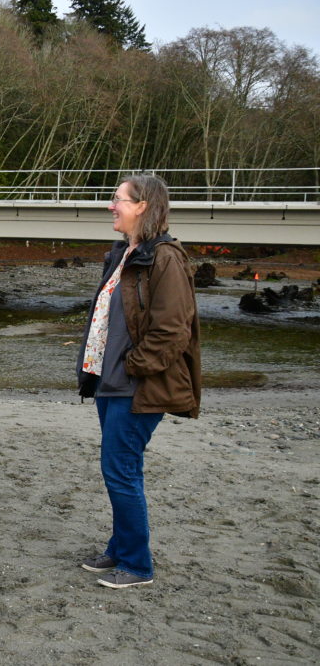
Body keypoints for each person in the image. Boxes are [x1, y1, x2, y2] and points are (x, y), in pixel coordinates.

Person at [76, 174, 201, 589]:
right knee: (119, 469)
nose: (111, 206)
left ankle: (137, 565)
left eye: (118, 200)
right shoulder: (126, 254)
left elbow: (172, 329)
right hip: (110, 382)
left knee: (121, 470)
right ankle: (119, 547)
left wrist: (132, 366)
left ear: (143, 205)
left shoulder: (165, 258)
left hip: (137, 385)